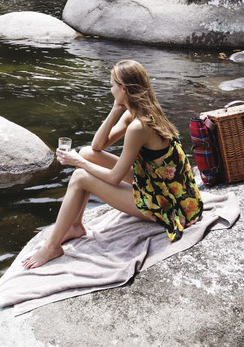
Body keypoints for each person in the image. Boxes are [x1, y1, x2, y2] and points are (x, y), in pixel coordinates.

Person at [21, 59, 203, 269]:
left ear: (123, 89)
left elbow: (115, 177)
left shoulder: (138, 126)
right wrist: (115, 110)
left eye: (112, 85)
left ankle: (52, 247)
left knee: (80, 176)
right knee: (87, 153)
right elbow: (97, 146)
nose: (110, 89)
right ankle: (75, 225)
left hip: (168, 204)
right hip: (160, 185)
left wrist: (77, 162)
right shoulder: (140, 111)